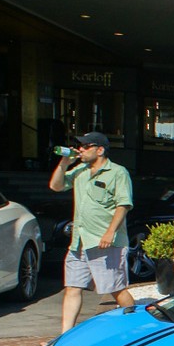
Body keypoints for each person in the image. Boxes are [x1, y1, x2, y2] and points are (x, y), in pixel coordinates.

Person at [48, 131, 134, 335]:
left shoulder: (118, 172)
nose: (81, 150)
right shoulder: (80, 170)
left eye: (86, 146)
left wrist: (109, 233)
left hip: (105, 242)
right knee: (72, 287)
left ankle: (134, 323)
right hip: (79, 241)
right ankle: (64, 337)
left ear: (100, 150)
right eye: (80, 146)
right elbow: (55, 185)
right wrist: (63, 163)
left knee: (116, 289)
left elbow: (123, 204)